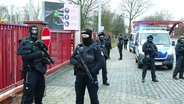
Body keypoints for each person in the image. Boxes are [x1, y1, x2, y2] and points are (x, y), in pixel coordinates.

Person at [17, 25, 51, 104]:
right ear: (30, 31)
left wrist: (44, 58)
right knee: (28, 95)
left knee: (39, 95)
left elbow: (45, 52)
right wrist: (38, 54)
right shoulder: (25, 42)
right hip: (30, 71)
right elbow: (25, 57)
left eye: (36, 31)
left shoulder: (39, 42)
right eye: (33, 30)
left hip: (40, 71)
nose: (34, 32)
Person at [70, 29, 104, 104]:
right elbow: (72, 58)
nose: (84, 37)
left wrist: (92, 71)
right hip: (80, 75)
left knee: (94, 98)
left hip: (91, 75)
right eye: (83, 36)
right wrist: (77, 64)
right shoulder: (79, 46)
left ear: (90, 36)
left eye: (86, 36)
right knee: (79, 97)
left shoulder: (96, 47)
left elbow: (101, 62)